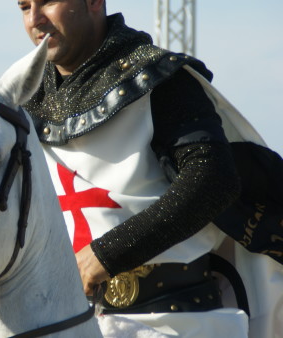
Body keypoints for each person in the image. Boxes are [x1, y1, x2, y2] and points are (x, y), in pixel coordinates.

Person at [15, 1, 280, 336]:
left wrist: (106, 255)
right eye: (24, 7)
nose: (35, 19)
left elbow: (213, 180)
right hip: (62, 321)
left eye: (47, 2)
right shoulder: (24, 102)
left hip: (174, 323)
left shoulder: (161, 79)